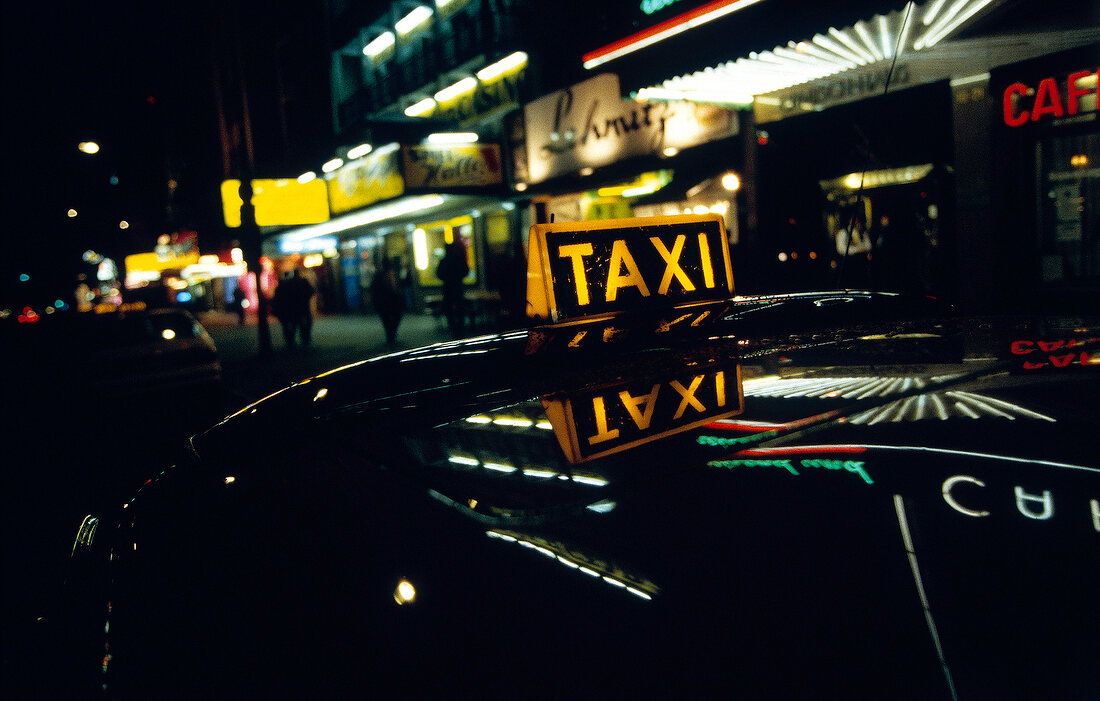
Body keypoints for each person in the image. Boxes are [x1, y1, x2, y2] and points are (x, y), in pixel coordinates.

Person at [272, 269, 315, 347]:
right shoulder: (303, 282)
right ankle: (304, 339)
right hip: (302, 307)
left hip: (290, 309)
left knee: (291, 325)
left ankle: (291, 341)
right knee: (303, 324)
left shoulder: (285, 284)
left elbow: (278, 298)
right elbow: (311, 292)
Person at [436, 239, 469, 338]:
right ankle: (460, 327)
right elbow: (465, 271)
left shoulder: (444, 261)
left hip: (448, 287)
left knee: (449, 308)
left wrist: (447, 277)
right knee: (459, 308)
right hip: (458, 286)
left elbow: (439, 274)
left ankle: (453, 327)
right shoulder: (459, 259)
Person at [372, 257, 405, 346]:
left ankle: (391, 334)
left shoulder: (388, 274)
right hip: (387, 301)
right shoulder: (384, 275)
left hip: (390, 301)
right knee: (389, 318)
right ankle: (391, 335)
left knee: (391, 318)